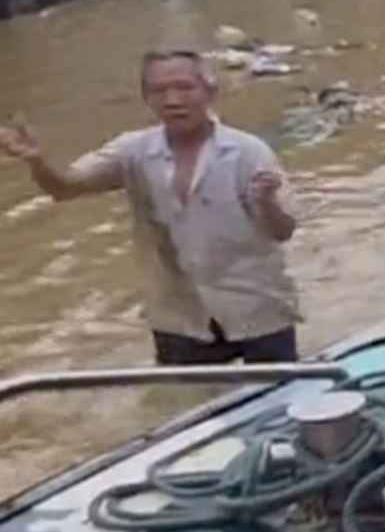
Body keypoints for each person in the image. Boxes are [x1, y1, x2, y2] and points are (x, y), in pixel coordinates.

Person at [0, 48, 302, 366]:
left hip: (257, 306)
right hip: (180, 316)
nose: (173, 100)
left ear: (210, 91)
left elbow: (284, 230)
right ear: (146, 98)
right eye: (159, 91)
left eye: (185, 87)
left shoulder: (248, 152)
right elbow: (65, 188)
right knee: (188, 394)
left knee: (281, 389)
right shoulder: (133, 151)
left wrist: (266, 202)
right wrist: (37, 162)